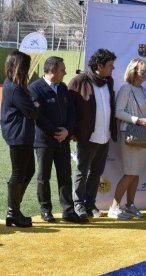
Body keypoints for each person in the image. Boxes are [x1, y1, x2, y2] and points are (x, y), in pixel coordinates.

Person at [30, 56, 87, 223]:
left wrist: (67, 131)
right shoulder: (35, 88)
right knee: (44, 176)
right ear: (52, 71)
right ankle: (45, 210)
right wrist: (55, 132)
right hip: (44, 141)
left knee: (65, 176)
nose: (66, 72)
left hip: (63, 140)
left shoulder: (62, 87)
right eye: (62, 69)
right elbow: (38, 117)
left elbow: (71, 112)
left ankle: (68, 211)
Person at [68, 48, 118, 219]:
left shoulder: (108, 81)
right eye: (110, 65)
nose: (113, 68)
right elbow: (69, 109)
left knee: (96, 173)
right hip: (87, 137)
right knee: (82, 171)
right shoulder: (79, 80)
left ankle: (90, 203)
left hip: (105, 136)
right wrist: (73, 131)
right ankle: (78, 204)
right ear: (99, 65)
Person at [108, 58, 146, 219]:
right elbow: (118, 112)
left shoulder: (143, 90)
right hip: (129, 134)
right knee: (130, 173)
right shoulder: (125, 89)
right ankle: (114, 207)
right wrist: (138, 120)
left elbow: (145, 114)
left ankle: (130, 205)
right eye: (143, 72)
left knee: (136, 173)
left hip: (142, 135)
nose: (145, 75)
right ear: (133, 72)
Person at [1, 50, 39, 227]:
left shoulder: (13, 85)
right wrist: (36, 104)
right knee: (19, 172)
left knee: (28, 170)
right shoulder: (15, 87)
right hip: (18, 134)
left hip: (20, 134)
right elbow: (32, 111)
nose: (28, 69)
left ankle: (14, 210)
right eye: (26, 66)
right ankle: (12, 211)